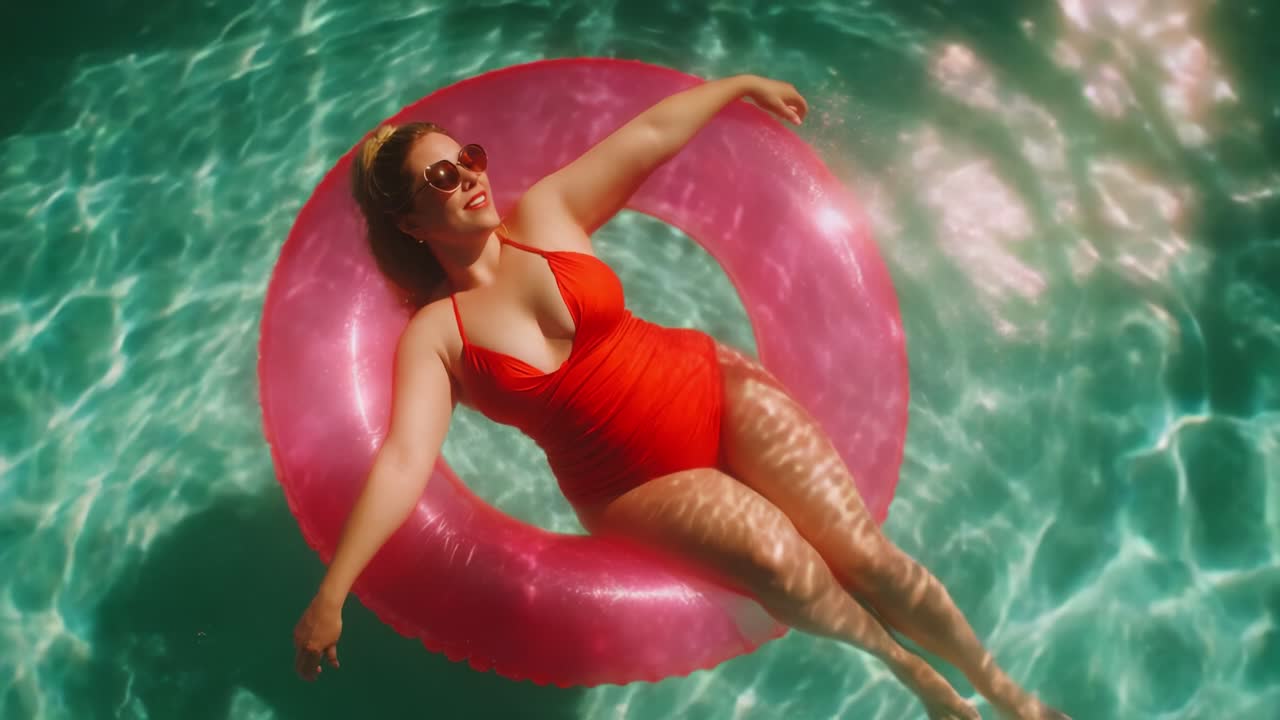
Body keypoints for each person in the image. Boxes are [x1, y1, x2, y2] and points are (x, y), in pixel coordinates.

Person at [291, 73, 1066, 720]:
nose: (468, 178)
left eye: (468, 158)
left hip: (706, 384)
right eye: (442, 176)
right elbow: (403, 460)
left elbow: (648, 139)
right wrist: (335, 591)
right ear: (408, 221)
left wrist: (736, 84)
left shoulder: (546, 219)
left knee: (866, 557)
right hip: (635, 483)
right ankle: (911, 672)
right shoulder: (438, 335)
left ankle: (1004, 689)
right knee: (786, 567)